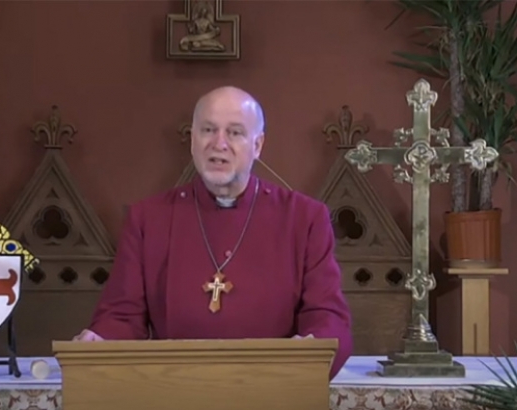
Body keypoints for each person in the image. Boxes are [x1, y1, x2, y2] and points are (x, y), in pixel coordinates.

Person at [74, 86, 353, 379]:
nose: (219, 144)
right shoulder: (148, 219)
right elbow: (122, 315)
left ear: (257, 145)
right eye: (208, 130)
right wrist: (101, 339)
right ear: (193, 140)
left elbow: (327, 315)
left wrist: (310, 349)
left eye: (234, 133)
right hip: (173, 388)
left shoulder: (304, 219)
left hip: (273, 387)